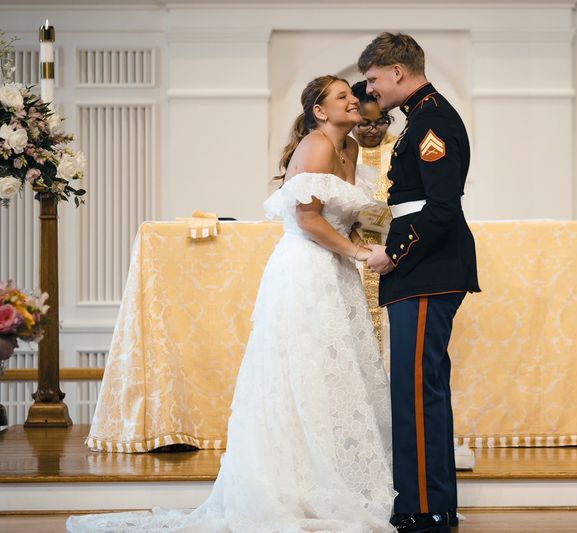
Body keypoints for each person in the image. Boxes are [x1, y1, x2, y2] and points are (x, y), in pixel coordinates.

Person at [67, 75, 395, 532]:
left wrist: (368, 233)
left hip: (336, 273)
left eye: (352, 95)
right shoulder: (317, 146)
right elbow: (307, 219)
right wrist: (361, 252)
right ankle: (292, 487)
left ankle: (331, 480)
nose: (354, 101)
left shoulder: (352, 150)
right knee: (300, 373)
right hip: (304, 271)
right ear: (320, 111)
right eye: (342, 96)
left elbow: (347, 212)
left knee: (334, 375)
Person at [358, 33, 481, 533]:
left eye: (372, 79)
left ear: (397, 72)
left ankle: (425, 509)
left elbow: (442, 207)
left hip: (425, 270)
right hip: (424, 268)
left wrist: (394, 253)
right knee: (417, 389)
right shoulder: (422, 115)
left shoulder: (431, 121)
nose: (369, 90)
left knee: (416, 391)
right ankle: (427, 503)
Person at [351, 80, 396, 363]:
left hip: (391, 250)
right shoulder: (341, 149)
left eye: (381, 122)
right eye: (365, 123)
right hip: (352, 251)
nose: (373, 129)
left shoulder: (400, 146)